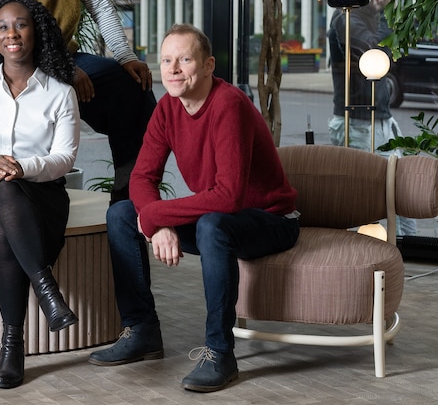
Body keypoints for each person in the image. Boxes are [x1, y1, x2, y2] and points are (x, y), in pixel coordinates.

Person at [88, 24, 300, 393]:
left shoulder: (228, 104)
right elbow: (141, 179)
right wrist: (159, 223)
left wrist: (154, 217)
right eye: (167, 60)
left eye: (184, 59)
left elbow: (229, 196)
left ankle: (220, 352)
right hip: (220, 218)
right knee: (121, 213)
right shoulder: (168, 108)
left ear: (207, 66)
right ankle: (142, 330)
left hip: (272, 220)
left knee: (212, 225)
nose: (173, 69)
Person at [0, 0, 80, 389]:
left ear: (35, 32)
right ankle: (46, 290)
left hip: (40, 194)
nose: (12, 33)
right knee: (3, 191)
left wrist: (23, 168)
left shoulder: (59, 91)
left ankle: (12, 345)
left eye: (20, 24)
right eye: (3, 26)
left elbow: (65, 157)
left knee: (5, 220)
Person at [0, 0, 156, 203]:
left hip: (67, 56)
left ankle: (130, 196)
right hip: (26, 65)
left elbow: (102, 8)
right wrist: (63, 69)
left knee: (134, 86)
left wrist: (127, 57)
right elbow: (8, 47)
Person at [327, 0, 416, 236]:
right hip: (360, 123)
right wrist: (393, 26)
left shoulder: (371, 16)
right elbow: (375, 54)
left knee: (398, 190)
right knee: (369, 196)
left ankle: (407, 248)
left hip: (378, 120)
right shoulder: (347, 16)